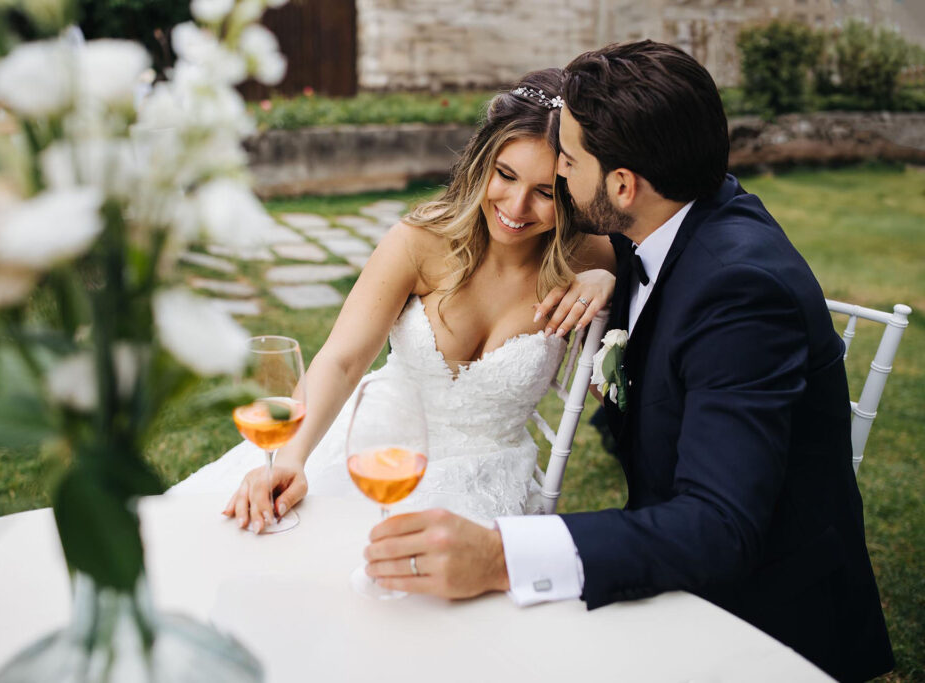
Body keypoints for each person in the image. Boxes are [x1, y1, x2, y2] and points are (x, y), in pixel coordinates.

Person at [362, 41, 893, 682]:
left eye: (568, 160)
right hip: (667, 557)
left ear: (620, 184)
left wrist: (504, 556)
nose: (556, 170)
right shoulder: (678, 205)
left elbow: (720, 528)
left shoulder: (741, 292)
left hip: (753, 617)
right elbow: (618, 244)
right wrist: (612, 281)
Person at [170, 69, 617, 529]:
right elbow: (342, 360)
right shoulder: (420, 240)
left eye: (545, 192)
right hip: (377, 443)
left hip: (486, 477)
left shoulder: (593, 257)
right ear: (483, 161)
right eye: (505, 175)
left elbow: (615, 397)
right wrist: (293, 456)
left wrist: (610, 286)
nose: (517, 207)